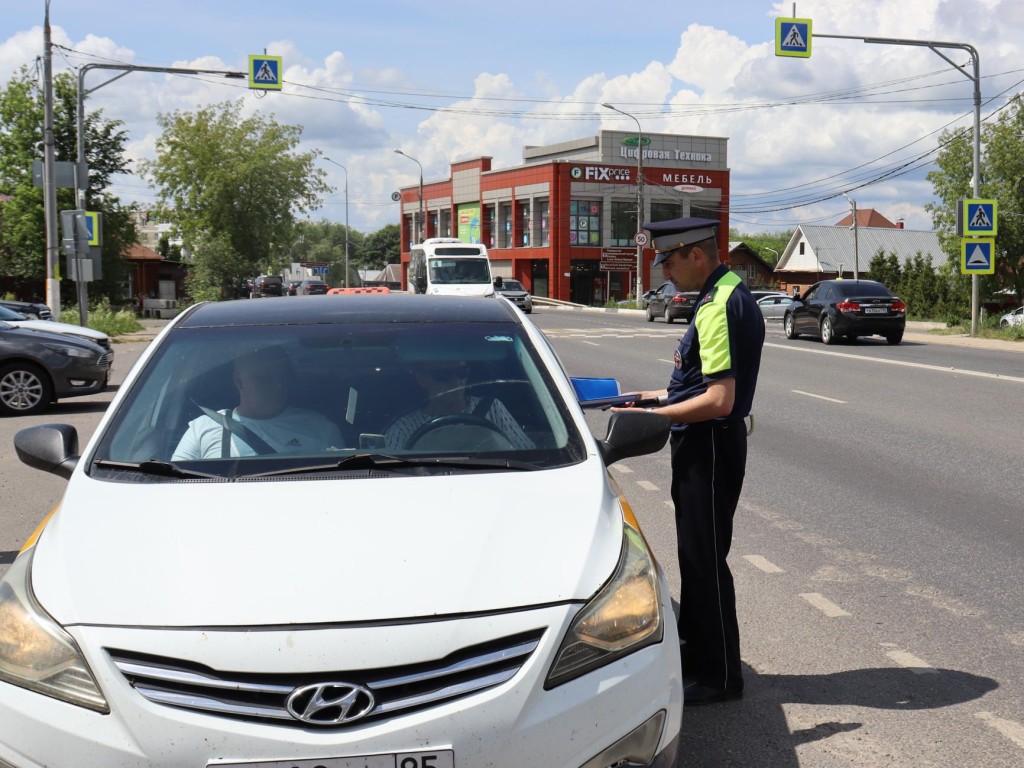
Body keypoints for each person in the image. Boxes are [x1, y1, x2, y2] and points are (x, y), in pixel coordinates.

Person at [613, 216, 764, 706]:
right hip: (708, 441)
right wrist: (653, 399)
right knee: (695, 555)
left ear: (694, 254)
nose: (665, 271)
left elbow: (719, 399)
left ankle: (720, 676)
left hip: (710, 444)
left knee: (704, 560)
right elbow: (695, 384)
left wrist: (659, 418)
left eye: (669, 260)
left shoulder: (719, 304)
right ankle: (699, 653)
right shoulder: (721, 293)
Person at [172, 348, 343, 460]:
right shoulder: (203, 427)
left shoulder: (320, 429)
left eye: (282, 376)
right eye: (264, 378)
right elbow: (174, 483)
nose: (278, 385)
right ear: (239, 381)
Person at [384, 361, 534, 451]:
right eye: (443, 375)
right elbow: (390, 470)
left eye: (461, 372)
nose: (456, 382)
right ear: (422, 379)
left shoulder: (493, 408)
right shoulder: (404, 428)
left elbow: (526, 451)